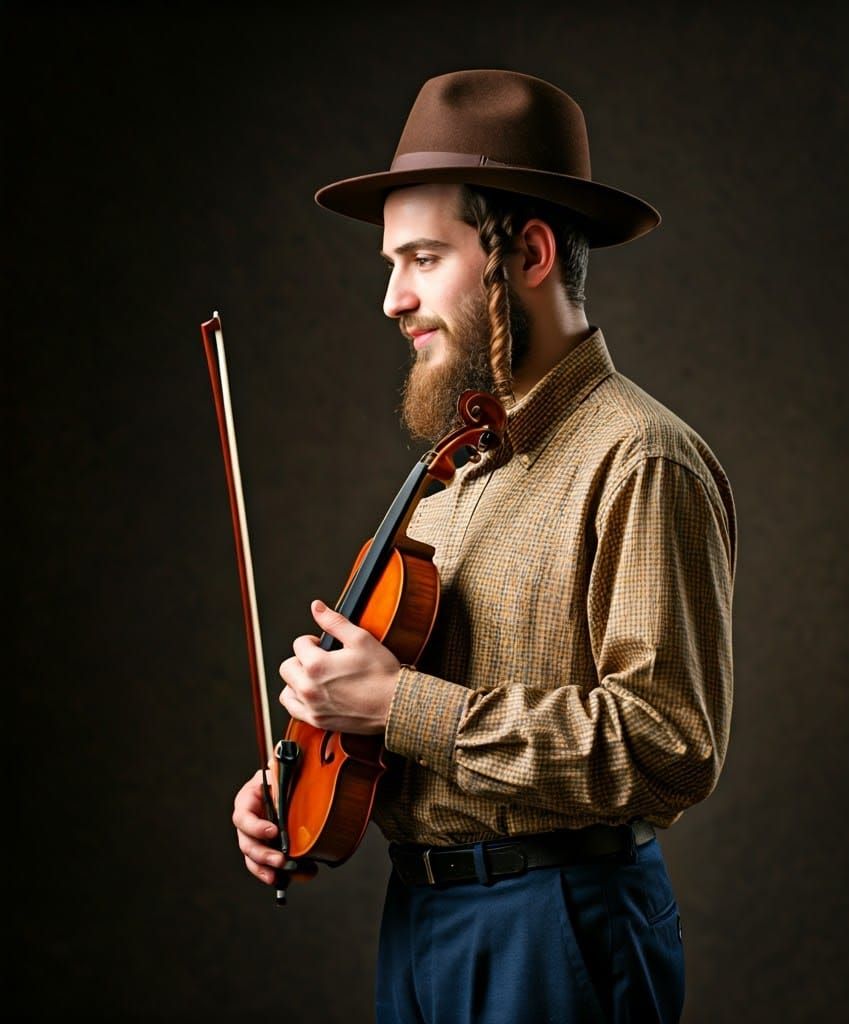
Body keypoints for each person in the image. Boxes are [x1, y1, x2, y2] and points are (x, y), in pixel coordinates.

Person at [232, 68, 737, 1024]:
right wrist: (297, 778)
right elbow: (398, 722)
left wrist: (402, 704)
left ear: (530, 253)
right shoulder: (454, 467)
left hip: (559, 926)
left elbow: (671, 746)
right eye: (392, 263)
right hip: (421, 918)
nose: (392, 298)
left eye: (423, 259)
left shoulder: (641, 458)